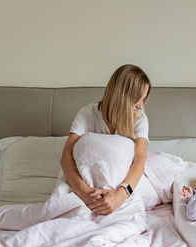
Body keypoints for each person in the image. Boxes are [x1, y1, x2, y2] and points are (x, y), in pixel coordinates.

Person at [60, 64, 151, 216]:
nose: (141, 105)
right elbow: (65, 157)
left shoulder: (139, 118)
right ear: (122, 96)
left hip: (121, 186)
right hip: (87, 186)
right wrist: (83, 192)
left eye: (144, 99)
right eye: (137, 99)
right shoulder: (88, 114)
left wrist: (121, 195)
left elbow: (139, 161)